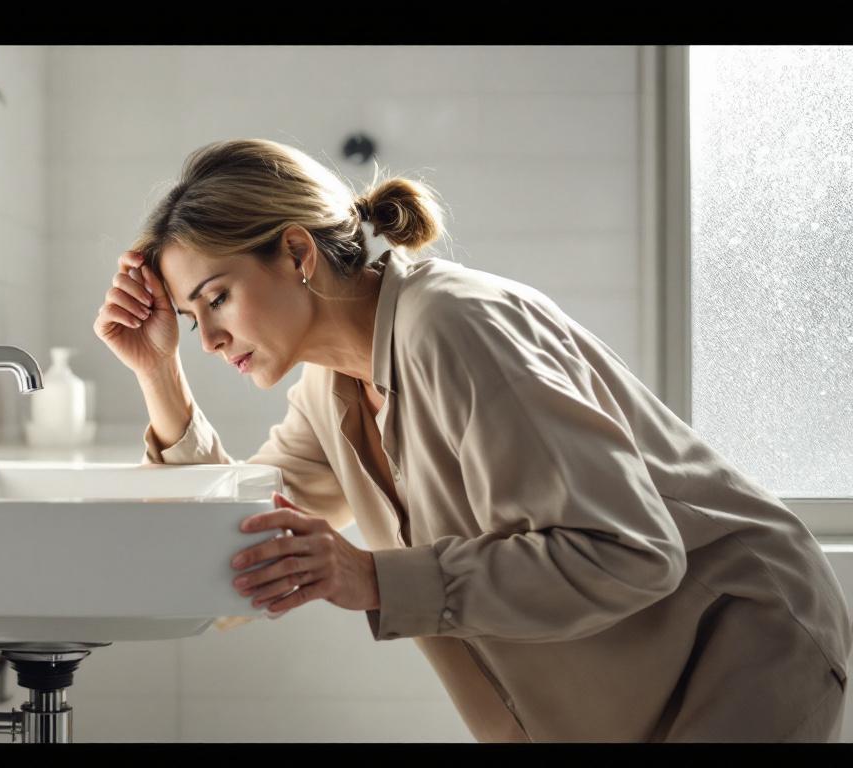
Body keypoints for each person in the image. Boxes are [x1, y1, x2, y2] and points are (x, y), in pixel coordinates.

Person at [91, 138, 852, 743]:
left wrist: (373, 578)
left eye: (217, 298)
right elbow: (239, 545)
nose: (210, 338)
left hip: (741, 644)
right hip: (631, 684)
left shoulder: (455, 326)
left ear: (296, 254)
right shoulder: (331, 390)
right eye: (192, 319)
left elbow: (629, 552)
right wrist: (159, 373)